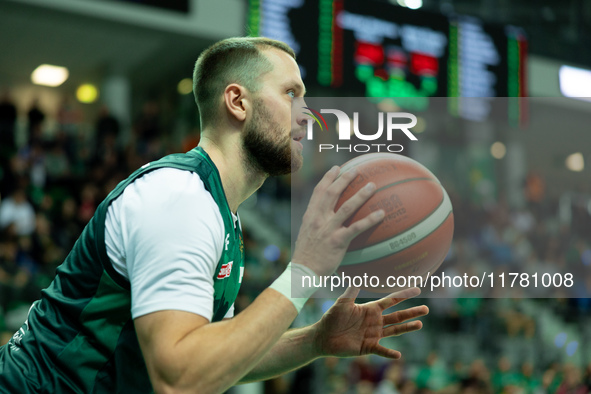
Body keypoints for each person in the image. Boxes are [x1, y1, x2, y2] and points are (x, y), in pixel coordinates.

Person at [0, 37, 428, 393]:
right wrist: (306, 270)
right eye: (291, 94)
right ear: (237, 101)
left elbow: (215, 357)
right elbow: (179, 377)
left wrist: (314, 340)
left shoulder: (221, 212)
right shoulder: (179, 199)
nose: (308, 116)